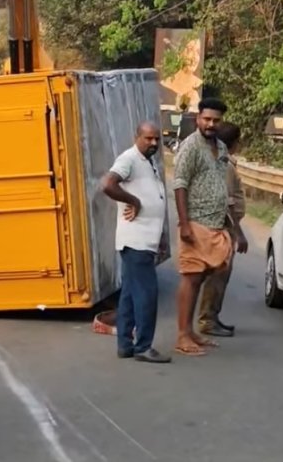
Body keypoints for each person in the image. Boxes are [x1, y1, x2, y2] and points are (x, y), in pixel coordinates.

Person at [173, 98, 248, 357]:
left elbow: (223, 189)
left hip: (217, 225)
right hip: (196, 223)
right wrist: (184, 224)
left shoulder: (220, 148)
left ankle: (192, 330)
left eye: (216, 120)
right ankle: (182, 335)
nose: (211, 124)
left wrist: (235, 230)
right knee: (191, 277)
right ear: (198, 119)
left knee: (207, 275)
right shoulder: (190, 147)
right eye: (206, 119)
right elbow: (180, 184)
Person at [100, 121, 171, 364]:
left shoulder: (147, 161)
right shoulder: (129, 158)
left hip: (145, 241)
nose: (153, 143)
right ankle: (143, 346)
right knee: (147, 295)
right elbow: (107, 184)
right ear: (137, 137)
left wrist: (159, 236)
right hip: (136, 242)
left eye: (156, 139)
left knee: (129, 296)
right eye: (148, 138)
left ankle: (125, 346)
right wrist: (134, 201)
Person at [197, 122, 246, 337]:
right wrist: (238, 232)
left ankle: (212, 316)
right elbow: (227, 201)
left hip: (220, 224)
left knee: (218, 276)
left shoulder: (225, 163)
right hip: (222, 226)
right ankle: (207, 319)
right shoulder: (225, 165)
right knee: (218, 274)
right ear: (234, 142)